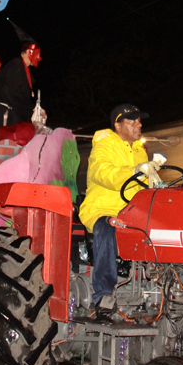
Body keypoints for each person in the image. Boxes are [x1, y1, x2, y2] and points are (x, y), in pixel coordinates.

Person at [79, 104, 150, 320]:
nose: (139, 124)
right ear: (118, 126)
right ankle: (104, 294)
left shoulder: (140, 150)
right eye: (133, 120)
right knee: (106, 228)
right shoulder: (103, 146)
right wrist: (135, 172)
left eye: (139, 120)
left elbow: (144, 185)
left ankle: (157, 286)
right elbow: (105, 174)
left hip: (133, 211)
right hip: (103, 207)